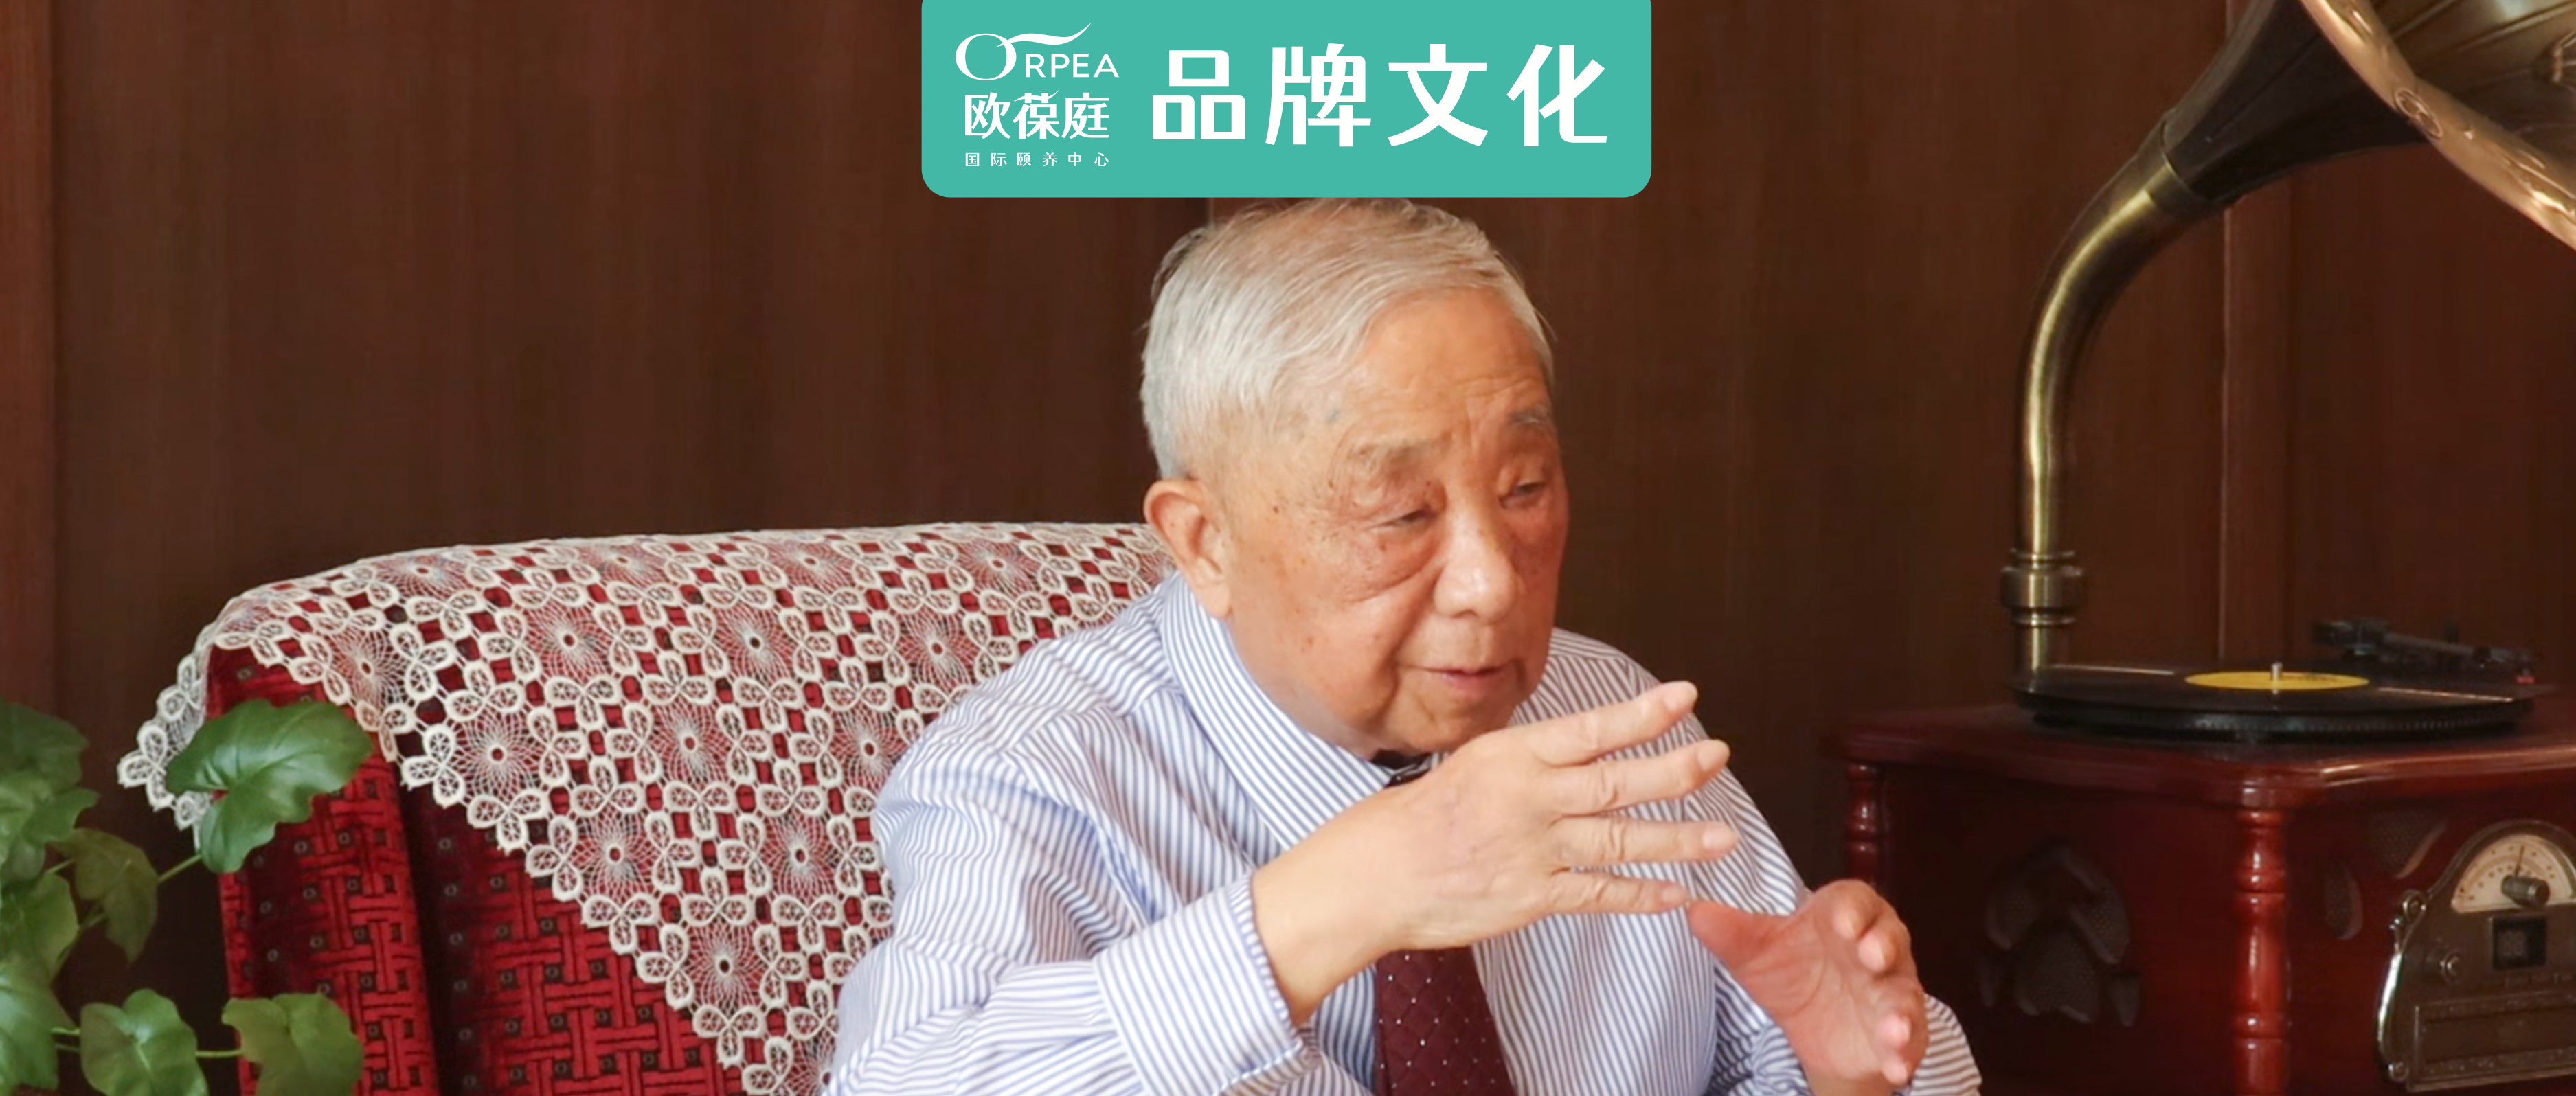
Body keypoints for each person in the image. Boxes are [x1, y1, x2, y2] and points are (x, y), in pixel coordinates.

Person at [826, 198, 1980, 1095]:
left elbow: (1826, 1055)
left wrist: (1845, 1073)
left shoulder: (1608, 719)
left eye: (1524, 488)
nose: (1490, 584)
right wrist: (1348, 895)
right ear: (1205, 542)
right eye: (1399, 514)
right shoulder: (1037, 773)